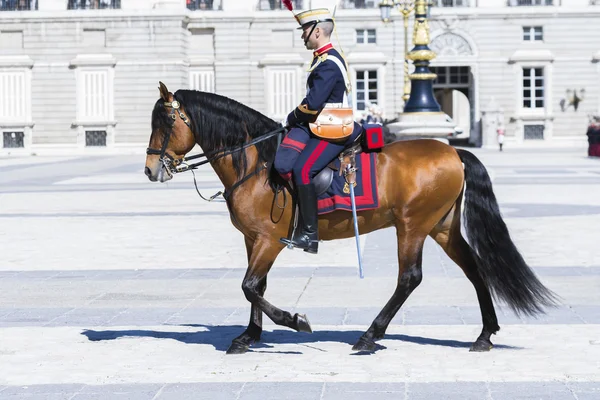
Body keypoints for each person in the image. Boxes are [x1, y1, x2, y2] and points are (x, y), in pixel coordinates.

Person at [273, 7, 361, 254]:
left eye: (305, 31)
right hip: (324, 123)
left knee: (302, 169)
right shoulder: (325, 58)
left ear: (318, 31)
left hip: (333, 127)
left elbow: (312, 104)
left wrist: (291, 117)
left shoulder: (328, 64)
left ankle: (310, 234)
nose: (302, 36)